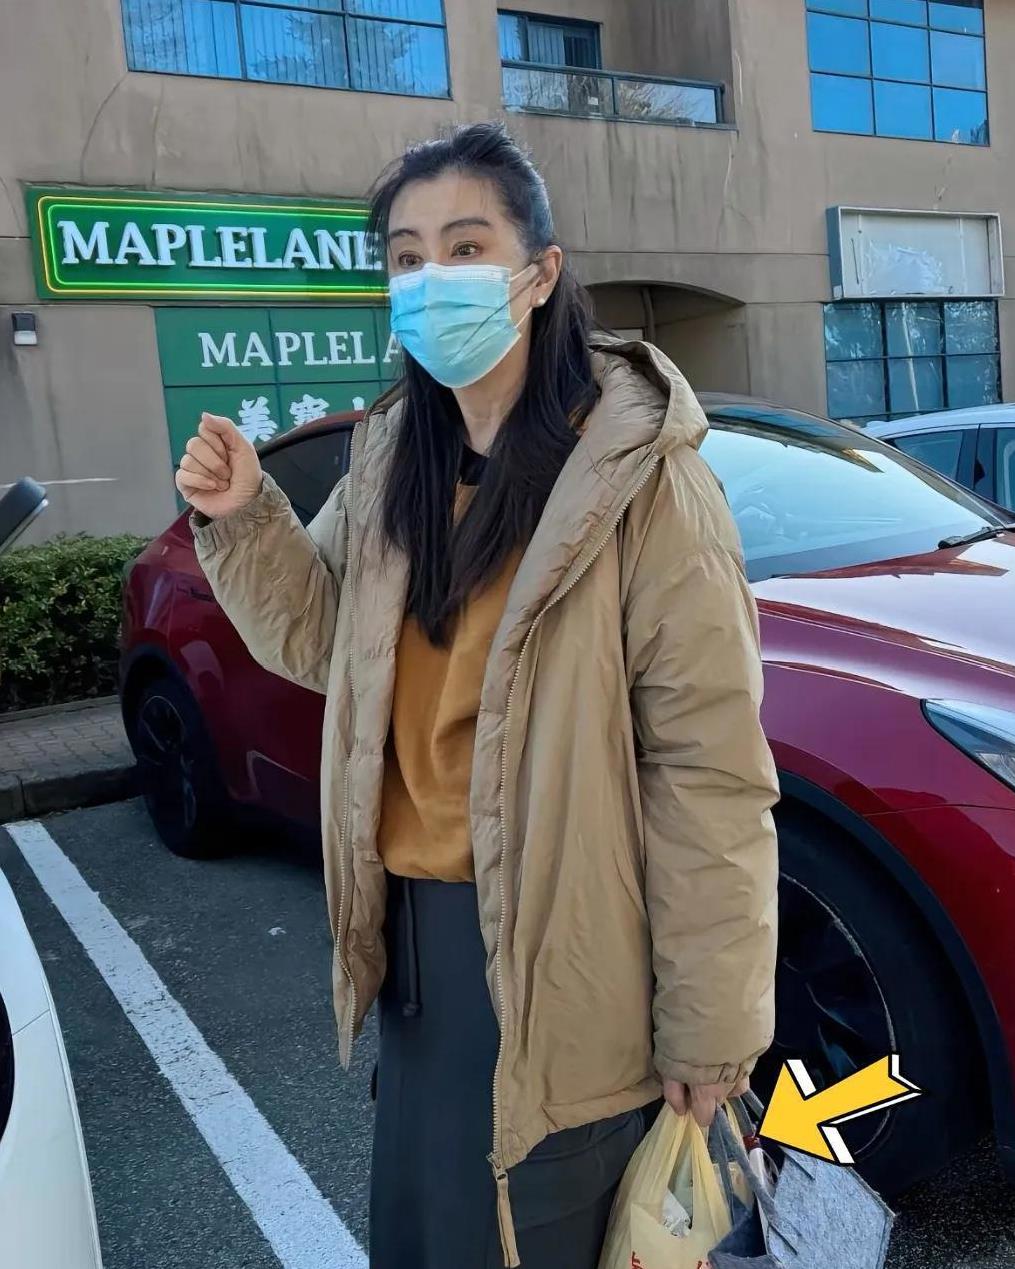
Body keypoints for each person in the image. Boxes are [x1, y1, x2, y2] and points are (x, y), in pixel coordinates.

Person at [174, 122, 779, 1269]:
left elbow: (706, 771)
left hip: (571, 954)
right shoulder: (394, 457)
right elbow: (325, 646)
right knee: (432, 1231)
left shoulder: (644, 482)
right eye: (405, 258)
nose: (429, 279)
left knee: (539, 1231)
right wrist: (244, 516)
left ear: (539, 272)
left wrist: (710, 1027)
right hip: (414, 945)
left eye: (463, 247)